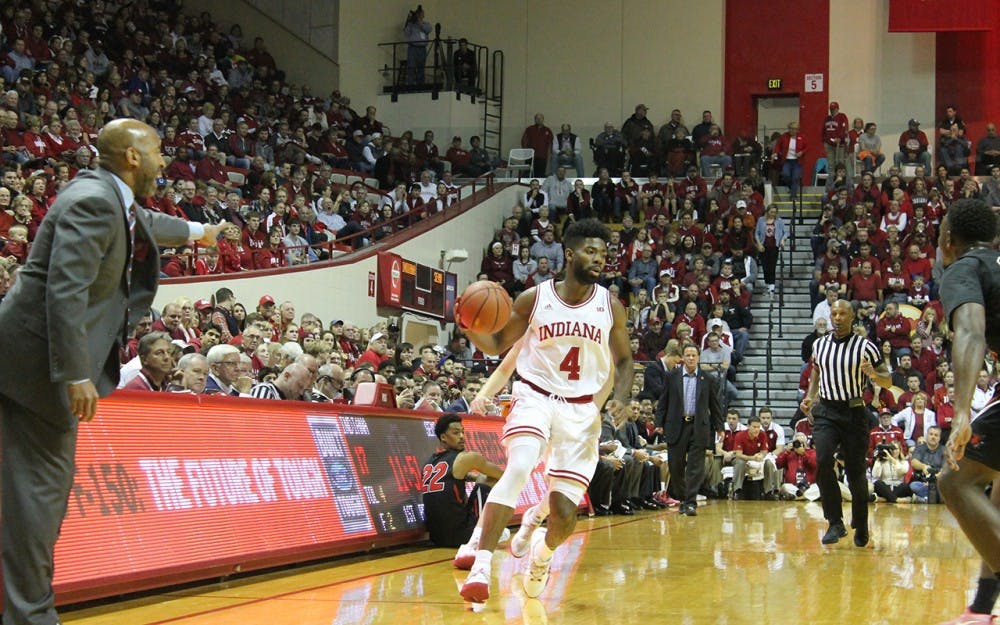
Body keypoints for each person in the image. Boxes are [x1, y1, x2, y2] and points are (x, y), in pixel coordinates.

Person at [0, 118, 225, 625]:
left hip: (27, 360)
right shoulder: (94, 202)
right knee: (40, 493)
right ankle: (30, 617)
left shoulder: (107, 195)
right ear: (131, 157)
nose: (166, 161)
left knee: (30, 489)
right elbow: (65, 289)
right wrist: (75, 373)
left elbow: (145, 222)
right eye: (159, 152)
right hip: (39, 367)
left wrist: (199, 231)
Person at [455, 218, 633, 603]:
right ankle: (482, 564)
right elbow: (498, 344)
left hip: (581, 413)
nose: (599, 258)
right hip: (534, 395)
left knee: (564, 514)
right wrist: (469, 325)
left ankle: (542, 554)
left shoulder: (611, 306)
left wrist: (622, 395)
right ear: (569, 254)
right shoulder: (533, 299)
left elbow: (624, 361)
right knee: (519, 466)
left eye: (603, 252)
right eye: (590, 250)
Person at [935, 199, 1000, 625]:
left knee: (956, 480)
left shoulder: (964, 267)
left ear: (947, 240)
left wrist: (961, 411)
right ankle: (981, 608)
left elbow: (971, 331)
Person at [800, 299, 892, 547]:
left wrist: (873, 375)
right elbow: (816, 372)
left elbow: (887, 380)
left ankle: (861, 523)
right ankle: (835, 522)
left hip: (853, 413)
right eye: (834, 313)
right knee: (822, 460)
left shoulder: (866, 347)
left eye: (843, 314)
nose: (837, 318)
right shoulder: (819, 345)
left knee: (855, 473)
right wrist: (810, 395)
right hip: (827, 411)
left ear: (852, 318)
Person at [654, 343, 724, 516]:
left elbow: (715, 405)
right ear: (682, 357)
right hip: (676, 425)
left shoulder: (708, 379)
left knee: (695, 467)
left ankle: (690, 502)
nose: (691, 358)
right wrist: (659, 423)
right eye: (688, 355)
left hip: (698, 426)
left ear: (699, 358)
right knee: (675, 466)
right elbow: (663, 401)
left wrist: (720, 426)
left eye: (694, 355)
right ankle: (684, 498)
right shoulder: (672, 376)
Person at [425, 413, 505, 553]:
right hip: (463, 536)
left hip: (436, 538)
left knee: (459, 490)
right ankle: (485, 532)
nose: (462, 436)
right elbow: (503, 475)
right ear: (443, 437)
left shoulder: (429, 463)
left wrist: (470, 476)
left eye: (463, 432)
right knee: (488, 479)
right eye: (456, 433)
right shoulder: (466, 458)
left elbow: (449, 484)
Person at [403, 5, 432, 86]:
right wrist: (409, 20)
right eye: (418, 14)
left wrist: (419, 22)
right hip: (413, 48)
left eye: (421, 13)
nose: (420, 15)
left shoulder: (426, 24)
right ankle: (410, 84)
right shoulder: (411, 25)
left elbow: (428, 29)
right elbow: (406, 32)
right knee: (411, 67)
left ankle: (420, 85)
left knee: (421, 68)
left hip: (422, 48)